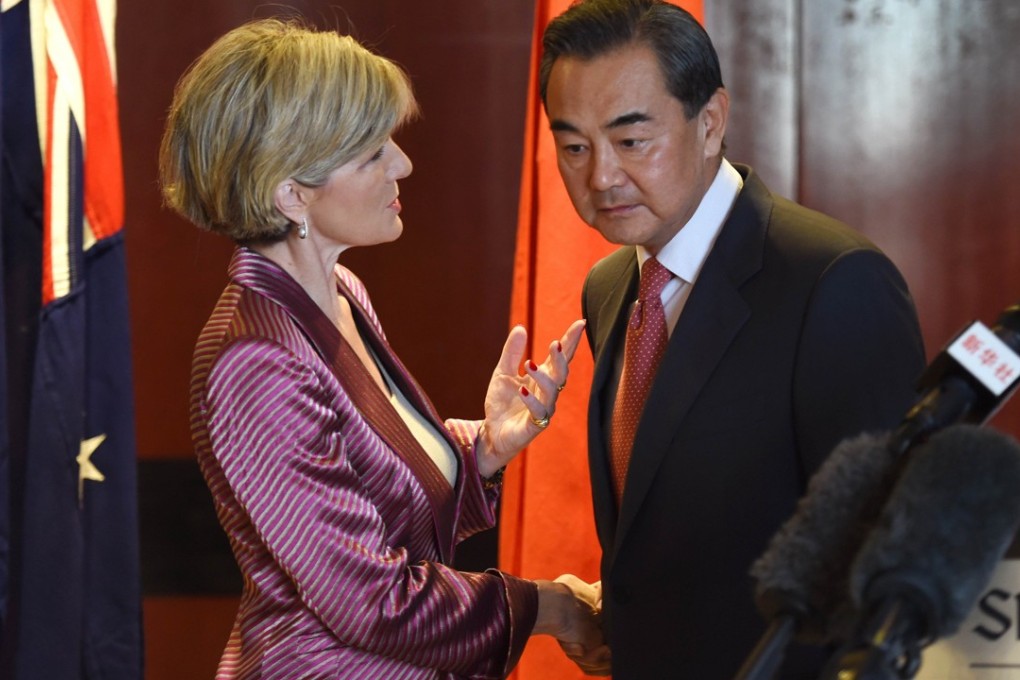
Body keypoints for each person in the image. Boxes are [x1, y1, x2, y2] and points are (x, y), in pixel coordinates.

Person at [159, 18, 610, 679]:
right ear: (291, 194)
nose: (403, 162)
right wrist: (549, 607)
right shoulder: (253, 361)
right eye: (372, 153)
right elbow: (373, 603)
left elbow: (381, 503)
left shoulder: (340, 292)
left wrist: (486, 446)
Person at [538, 1, 928, 678]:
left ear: (711, 121)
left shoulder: (832, 282)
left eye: (631, 142)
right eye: (574, 147)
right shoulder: (608, 287)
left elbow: (889, 559)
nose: (599, 176)